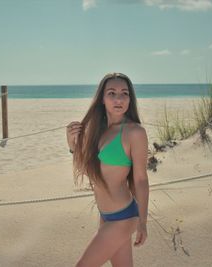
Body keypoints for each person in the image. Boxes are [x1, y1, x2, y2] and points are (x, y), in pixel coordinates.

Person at [66, 72, 149, 267]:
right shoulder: (98, 131)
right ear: (102, 99)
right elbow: (89, 172)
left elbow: (141, 180)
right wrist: (72, 145)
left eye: (124, 93)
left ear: (130, 99)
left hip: (123, 217)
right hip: (106, 215)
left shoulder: (134, 132)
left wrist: (143, 222)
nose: (118, 99)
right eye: (111, 93)